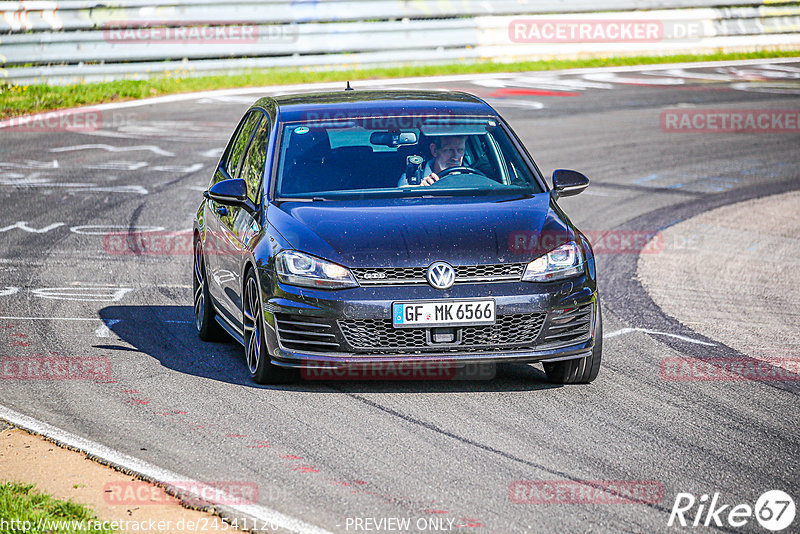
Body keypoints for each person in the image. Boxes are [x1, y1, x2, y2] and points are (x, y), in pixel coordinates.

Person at [398, 135, 466, 187]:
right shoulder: (410, 180)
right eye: (449, 150)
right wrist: (421, 192)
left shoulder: (469, 178)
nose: (455, 157)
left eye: (460, 150)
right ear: (434, 150)